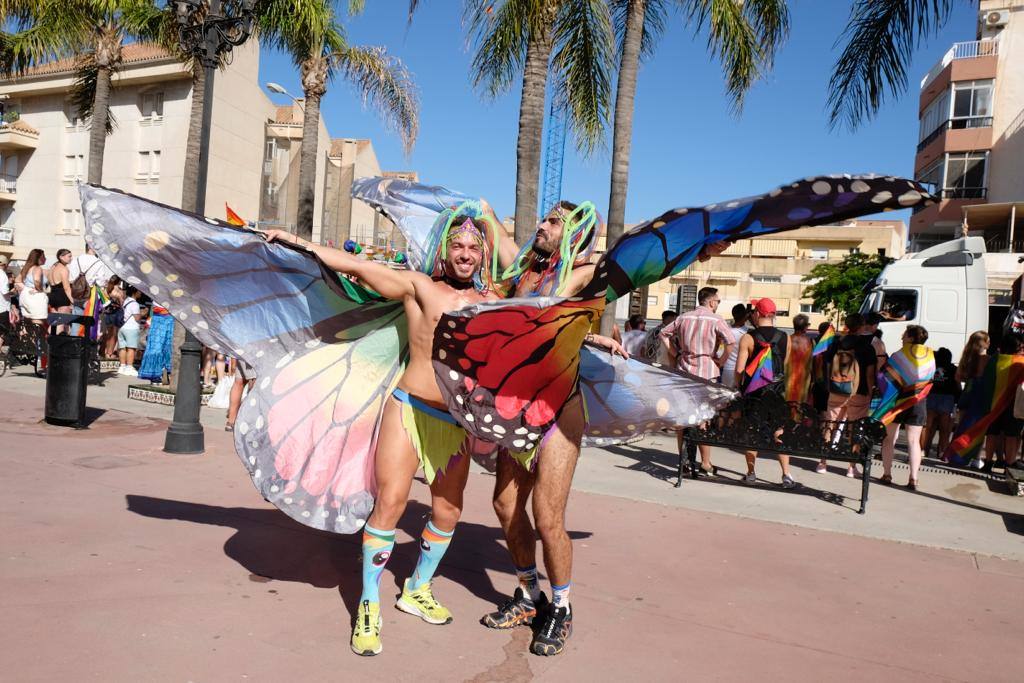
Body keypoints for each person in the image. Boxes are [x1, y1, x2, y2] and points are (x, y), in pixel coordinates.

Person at [266, 214, 513, 658]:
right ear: (445, 250)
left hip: (455, 423)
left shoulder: (492, 301)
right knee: (392, 502)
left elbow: (538, 327)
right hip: (409, 409)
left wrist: (594, 342)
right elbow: (358, 268)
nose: (465, 254)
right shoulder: (420, 287)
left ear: (482, 256)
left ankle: (416, 588)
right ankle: (368, 603)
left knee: (449, 511)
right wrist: (297, 243)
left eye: (474, 249)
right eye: (458, 246)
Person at [478, 199, 635, 657]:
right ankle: (530, 595)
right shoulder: (525, 271)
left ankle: (562, 607)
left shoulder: (584, 271)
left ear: (575, 235)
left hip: (559, 406)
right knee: (506, 506)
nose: (540, 225)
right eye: (544, 218)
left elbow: (553, 305)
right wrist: (480, 210)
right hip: (516, 405)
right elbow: (535, 317)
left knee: (548, 517)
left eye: (552, 222)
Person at [660, 287, 735, 473]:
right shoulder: (716, 319)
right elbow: (731, 341)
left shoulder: (684, 317)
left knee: (683, 417)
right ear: (711, 302)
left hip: (684, 371)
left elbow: (664, 333)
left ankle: (683, 461)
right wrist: (720, 360)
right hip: (707, 372)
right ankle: (705, 462)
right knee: (704, 417)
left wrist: (676, 353)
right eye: (717, 301)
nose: (718, 304)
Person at [734, 298, 795, 488]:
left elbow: (739, 369)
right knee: (779, 431)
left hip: (754, 394)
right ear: (774, 315)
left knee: (752, 431)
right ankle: (786, 475)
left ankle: (751, 473)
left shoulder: (748, 338)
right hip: (776, 393)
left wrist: (738, 388)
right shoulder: (786, 337)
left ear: (757, 314)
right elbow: (785, 367)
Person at [875, 326, 935, 490]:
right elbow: (930, 378)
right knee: (914, 441)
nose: (902, 337)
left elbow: (885, 376)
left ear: (910, 338)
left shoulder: (899, 355)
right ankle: (913, 479)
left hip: (897, 402)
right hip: (918, 401)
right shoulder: (930, 356)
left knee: (889, 439)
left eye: (904, 335)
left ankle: (887, 474)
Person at [821, 313, 876, 477]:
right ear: (861, 326)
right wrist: (870, 390)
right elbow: (870, 373)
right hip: (858, 392)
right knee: (856, 429)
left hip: (836, 389)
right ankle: (851, 467)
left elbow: (827, 365)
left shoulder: (835, 344)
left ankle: (822, 462)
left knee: (830, 424)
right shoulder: (867, 347)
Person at [956, 331, 990, 469]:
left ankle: (957, 454)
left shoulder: (967, 358)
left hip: (967, 392)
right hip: (981, 394)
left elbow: (958, 377)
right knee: (980, 427)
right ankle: (976, 458)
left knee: (962, 425)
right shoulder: (988, 359)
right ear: (984, 343)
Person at [67, 244, 115, 338]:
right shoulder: (98, 262)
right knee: (89, 323)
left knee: (76, 322)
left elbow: (71, 279)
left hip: (77, 294)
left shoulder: (76, 260)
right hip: (90, 295)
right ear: (91, 248)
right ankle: (85, 347)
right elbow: (100, 282)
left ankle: (74, 346)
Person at [921, 348, 960, 461]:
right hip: (947, 399)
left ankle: (924, 449)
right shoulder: (953, 369)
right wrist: (958, 397)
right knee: (945, 429)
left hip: (931, 396)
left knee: (927, 428)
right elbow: (957, 385)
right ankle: (942, 452)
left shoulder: (932, 366)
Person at [137, 304, 174, 385]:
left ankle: (168, 372)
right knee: (156, 347)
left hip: (171, 317)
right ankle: (155, 375)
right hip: (158, 317)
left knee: (169, 346)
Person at [784, 313, 813, 405]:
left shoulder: (786, 340)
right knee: (799, 408)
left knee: (786, 408)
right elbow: (816, 363)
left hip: (787, 381)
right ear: (805, 327)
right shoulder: (811, 342)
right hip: (802, 383)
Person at [15, 249, 49, 327]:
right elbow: (37, 280)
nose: (45, 258)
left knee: (27, 324)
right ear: (39, 258)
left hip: (25, 297)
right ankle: (36, 339)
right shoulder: (37, 268)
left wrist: (26, 288)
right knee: (38, 323)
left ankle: (25, 339)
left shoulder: (27, 267)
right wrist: (40, 290)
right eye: (44, 257)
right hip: (36, 298)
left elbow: (17, 280)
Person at [719, 303, 749, 389]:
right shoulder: (748, 333)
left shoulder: (726, 331)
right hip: (742, 370)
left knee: (726, 396)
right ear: (745, 316)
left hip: (727, 368)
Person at [116, 287, 143, 376]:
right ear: (135, 292)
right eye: (139, 291)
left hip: (122, 327)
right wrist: (143, 313)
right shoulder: (135, 304)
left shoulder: (126, 301)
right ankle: (129, 367)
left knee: (122, 348)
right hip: (131, 328)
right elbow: (137, 318)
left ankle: (122, 366)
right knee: (131, 348)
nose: (140, 293)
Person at [48, 248, 74, 333]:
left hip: (53, 295)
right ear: (61, 257)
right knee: (61, 323)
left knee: (54, 323)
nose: (71, 258)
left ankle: (48, 342)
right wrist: (73, 301)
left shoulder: (53, 266)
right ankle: (57, 344)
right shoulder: (64, 269)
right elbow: (66, 288)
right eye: (69, 256)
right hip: (62, 297)